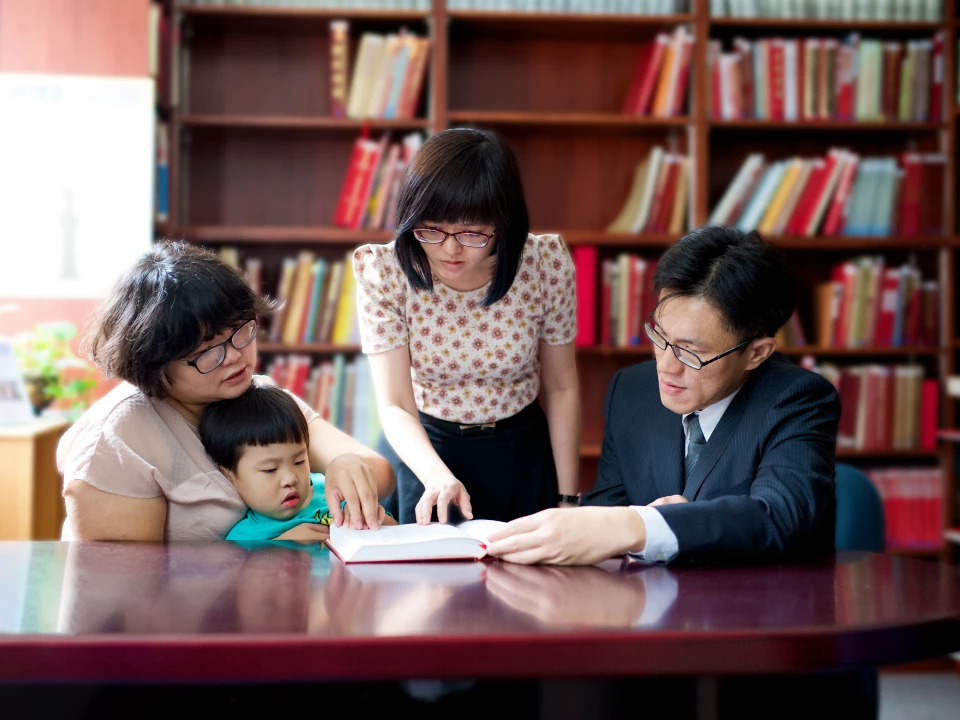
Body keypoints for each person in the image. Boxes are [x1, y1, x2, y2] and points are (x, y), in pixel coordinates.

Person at [486, 226, 840, 565]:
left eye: (691, 351)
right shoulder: (631, 392)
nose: (667, 367)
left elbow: (778, 516)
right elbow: (607, 513)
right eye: (661, 337)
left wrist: (639, 526)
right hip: (650, 609)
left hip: (757, 610)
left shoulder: (798, 400)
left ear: (756, 353)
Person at [57, 241, 394, 543]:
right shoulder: (119, 438)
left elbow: (379, 474)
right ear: (155, 363)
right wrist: (270, 556)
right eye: (207, 351)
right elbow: (133, 585)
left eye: (240, 331)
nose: (234, 356)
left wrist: (346, 464)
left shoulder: (259, 396)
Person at [353, 127, 580, 525]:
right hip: (425, 452)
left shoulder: (545, 263)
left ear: (503, 222)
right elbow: (395, 405)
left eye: (473, 231)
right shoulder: (384, 272)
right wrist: (438, 477)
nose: (449, 248)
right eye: (431, 229)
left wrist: (568, 499)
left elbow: (562, 387)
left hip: (519, 452)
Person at [199, 384, 398, 544]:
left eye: (299, 461)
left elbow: (397, 532)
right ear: (229, 474)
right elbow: (241, 584)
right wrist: (282, 546)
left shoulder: (336, 495)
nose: (290, 478)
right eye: (270, 469)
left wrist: (375, 520)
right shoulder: (243, 539)